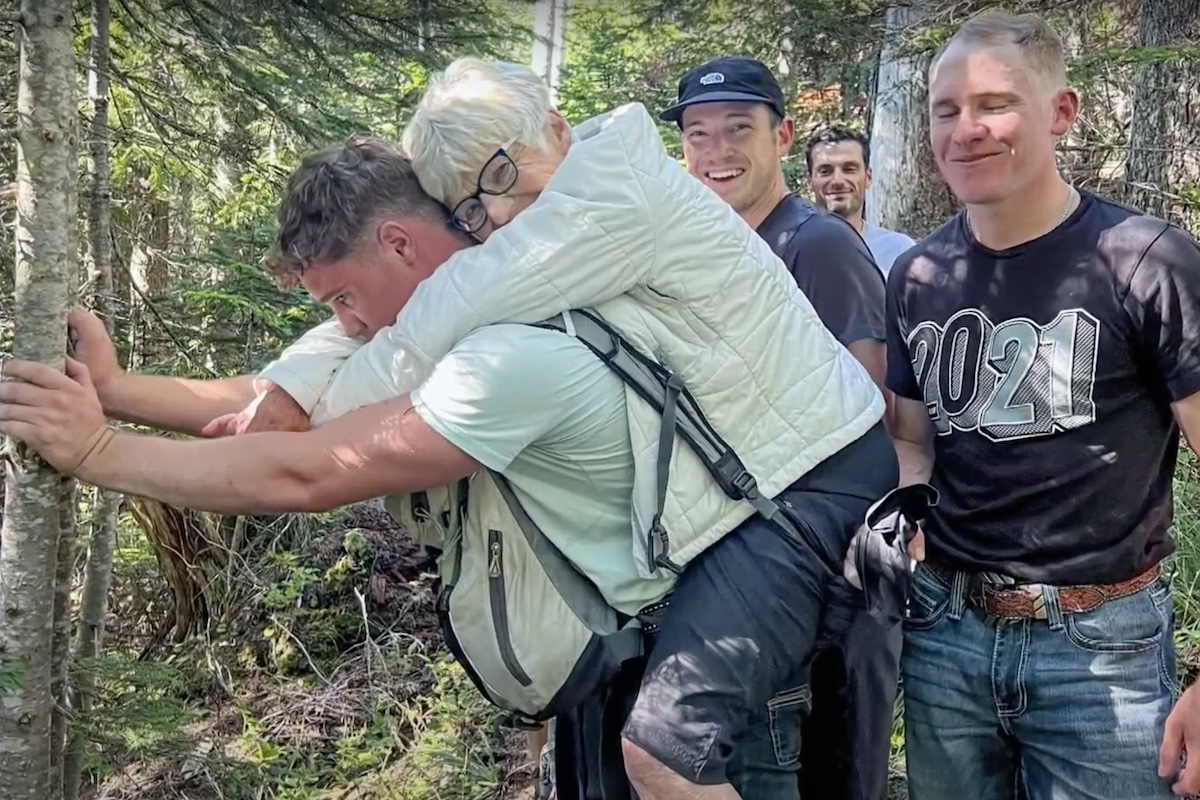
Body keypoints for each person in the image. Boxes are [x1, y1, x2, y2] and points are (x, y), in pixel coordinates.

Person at [3, 65, 898, 800]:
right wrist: (122, 393)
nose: (496, 217)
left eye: (497, 184)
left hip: (792, 509)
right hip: (676, 592)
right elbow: (354, 348)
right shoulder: (526, 231)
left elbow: (319, 459)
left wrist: (99, 451)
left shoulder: (553, 281)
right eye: (472, 206)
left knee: (665, 757)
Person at [886, 10, 1200, 799]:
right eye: (946, 110)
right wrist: (905, 514)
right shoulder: (916, 275)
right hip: (944, 635)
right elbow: (913, 439)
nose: (966, 130)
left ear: (1061, 112)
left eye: (995, 104)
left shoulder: (1145, 261)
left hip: (1103, 650)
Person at [661, 55, 898, 800]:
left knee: (828, 768)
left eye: (738, 129)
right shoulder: (697, 250)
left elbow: (871, 402)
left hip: (826, 565)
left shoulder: (814, 242)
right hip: (741, 567)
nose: (717, 151)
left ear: (782, 136)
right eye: (698, 134)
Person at [806, 125, 916, 276]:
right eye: (825, 171)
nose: (838, 180)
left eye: (849, 169)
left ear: (868, 177)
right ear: (809, 181)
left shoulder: (899, 251)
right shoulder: (793, 252)